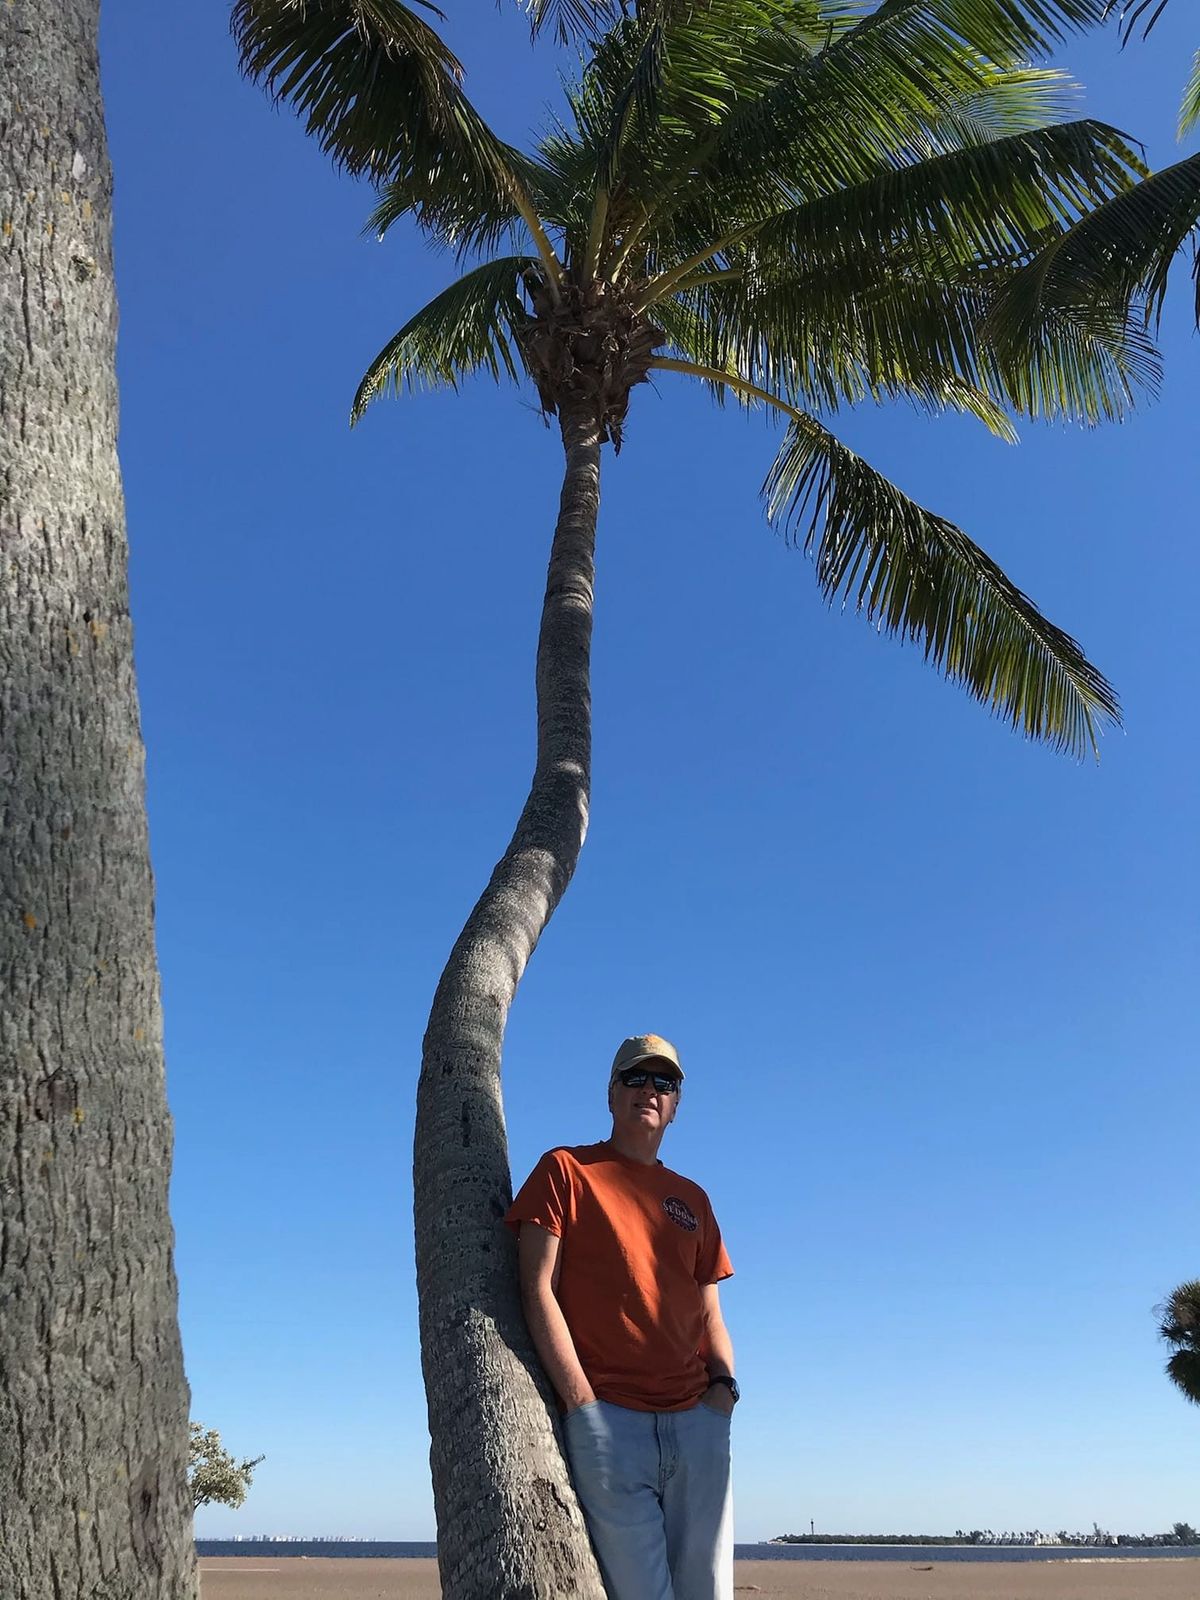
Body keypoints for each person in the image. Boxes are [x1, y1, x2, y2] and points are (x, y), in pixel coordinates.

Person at [506, 1034, 737, 1600]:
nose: (649, 1091)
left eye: (665, 1082)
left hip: (698, 1422)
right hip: (611, 1422)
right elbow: (538, 1289)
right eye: (635, 1078)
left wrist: (724, 1391)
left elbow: (709, 1309)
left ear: (677, 1103)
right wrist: (582, 1404)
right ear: (611, 1094)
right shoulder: (566, 1171)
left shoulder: (694, 1199)